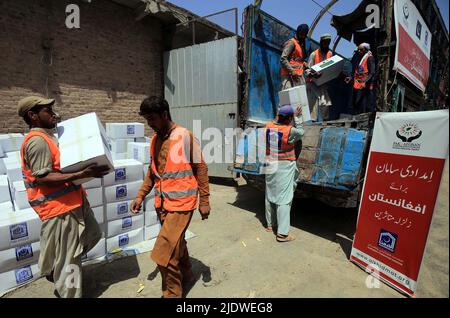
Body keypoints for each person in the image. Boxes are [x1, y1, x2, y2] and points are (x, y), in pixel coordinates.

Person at [17, 96, 109, 298]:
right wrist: (80, 175)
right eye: (47, 110)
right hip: (59, 210)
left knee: (92, 235)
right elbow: (43, 178)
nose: (53, 113)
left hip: (73, 202)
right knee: (71, 260)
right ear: (33, 116)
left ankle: (54, 268)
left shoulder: (49, 137)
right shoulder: (37, 142)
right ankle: (70, 293)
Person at [130, 96, 210, 298]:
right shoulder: (156, 139)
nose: (150, 124)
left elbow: (200, 167)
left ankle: (172, 294)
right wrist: (140, 196)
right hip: (163, 204)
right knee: (177, 245)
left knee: (163, 255)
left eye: (152, 119)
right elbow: (153, 171)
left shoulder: (184, 136)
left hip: (182, 204)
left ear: (165, 115)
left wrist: (205, 201)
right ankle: (189, 274)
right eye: (147, 120)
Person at [264, 105, 304, 242]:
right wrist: (297, 118)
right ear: (289, 118)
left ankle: (270, 225)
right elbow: (302, 132)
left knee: (270, 194)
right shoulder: (290, 131)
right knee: (284, 199)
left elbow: (275, 121)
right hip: (284, 166)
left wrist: (281, 114)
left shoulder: (268, 126)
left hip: (270, 163)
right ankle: (282, 234)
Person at [306, 33, 333, 121]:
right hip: (313, 82)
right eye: (325, 42)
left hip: (324, 82)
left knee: (324, 103)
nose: (326, 44)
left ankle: (325, 121)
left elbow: (332, 67)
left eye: (328, 42)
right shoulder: (314, 54)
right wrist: (314, 74)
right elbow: (308, 70)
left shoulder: (330, 54)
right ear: (321, 42)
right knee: (312, 103)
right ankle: (312, 121)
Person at [345, 43, 376, 114]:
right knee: (355, 103)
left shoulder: (370, 58)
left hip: (364, 85)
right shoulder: (359, 58)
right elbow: (357, 71)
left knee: (362, 104)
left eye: (361, 50)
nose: (359, 51)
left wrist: (365, 82)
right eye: (358, 49)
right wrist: (351, 78)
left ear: (366, 50)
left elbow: (372, 72)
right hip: (357, 84)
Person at [280, 24, 311, 89]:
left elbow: (297, 60)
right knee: (289, 97)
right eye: (301, 34)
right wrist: (292, 71)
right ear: (298, 32)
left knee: (299, 98)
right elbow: (283, 58)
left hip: (298, 76)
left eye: (304, 35)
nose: (303, 36)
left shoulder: (301, 45)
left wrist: (304, 64)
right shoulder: (292, 42)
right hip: (289, 76)